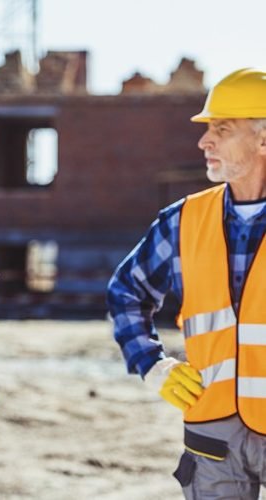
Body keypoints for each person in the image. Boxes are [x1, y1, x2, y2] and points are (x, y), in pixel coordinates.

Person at [107, 67, 266, 499]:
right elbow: (126, 293)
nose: (204, 141)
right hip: (212, 431)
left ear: (263, 139)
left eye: (222, 128)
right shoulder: (183, 221)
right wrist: (153, 365)